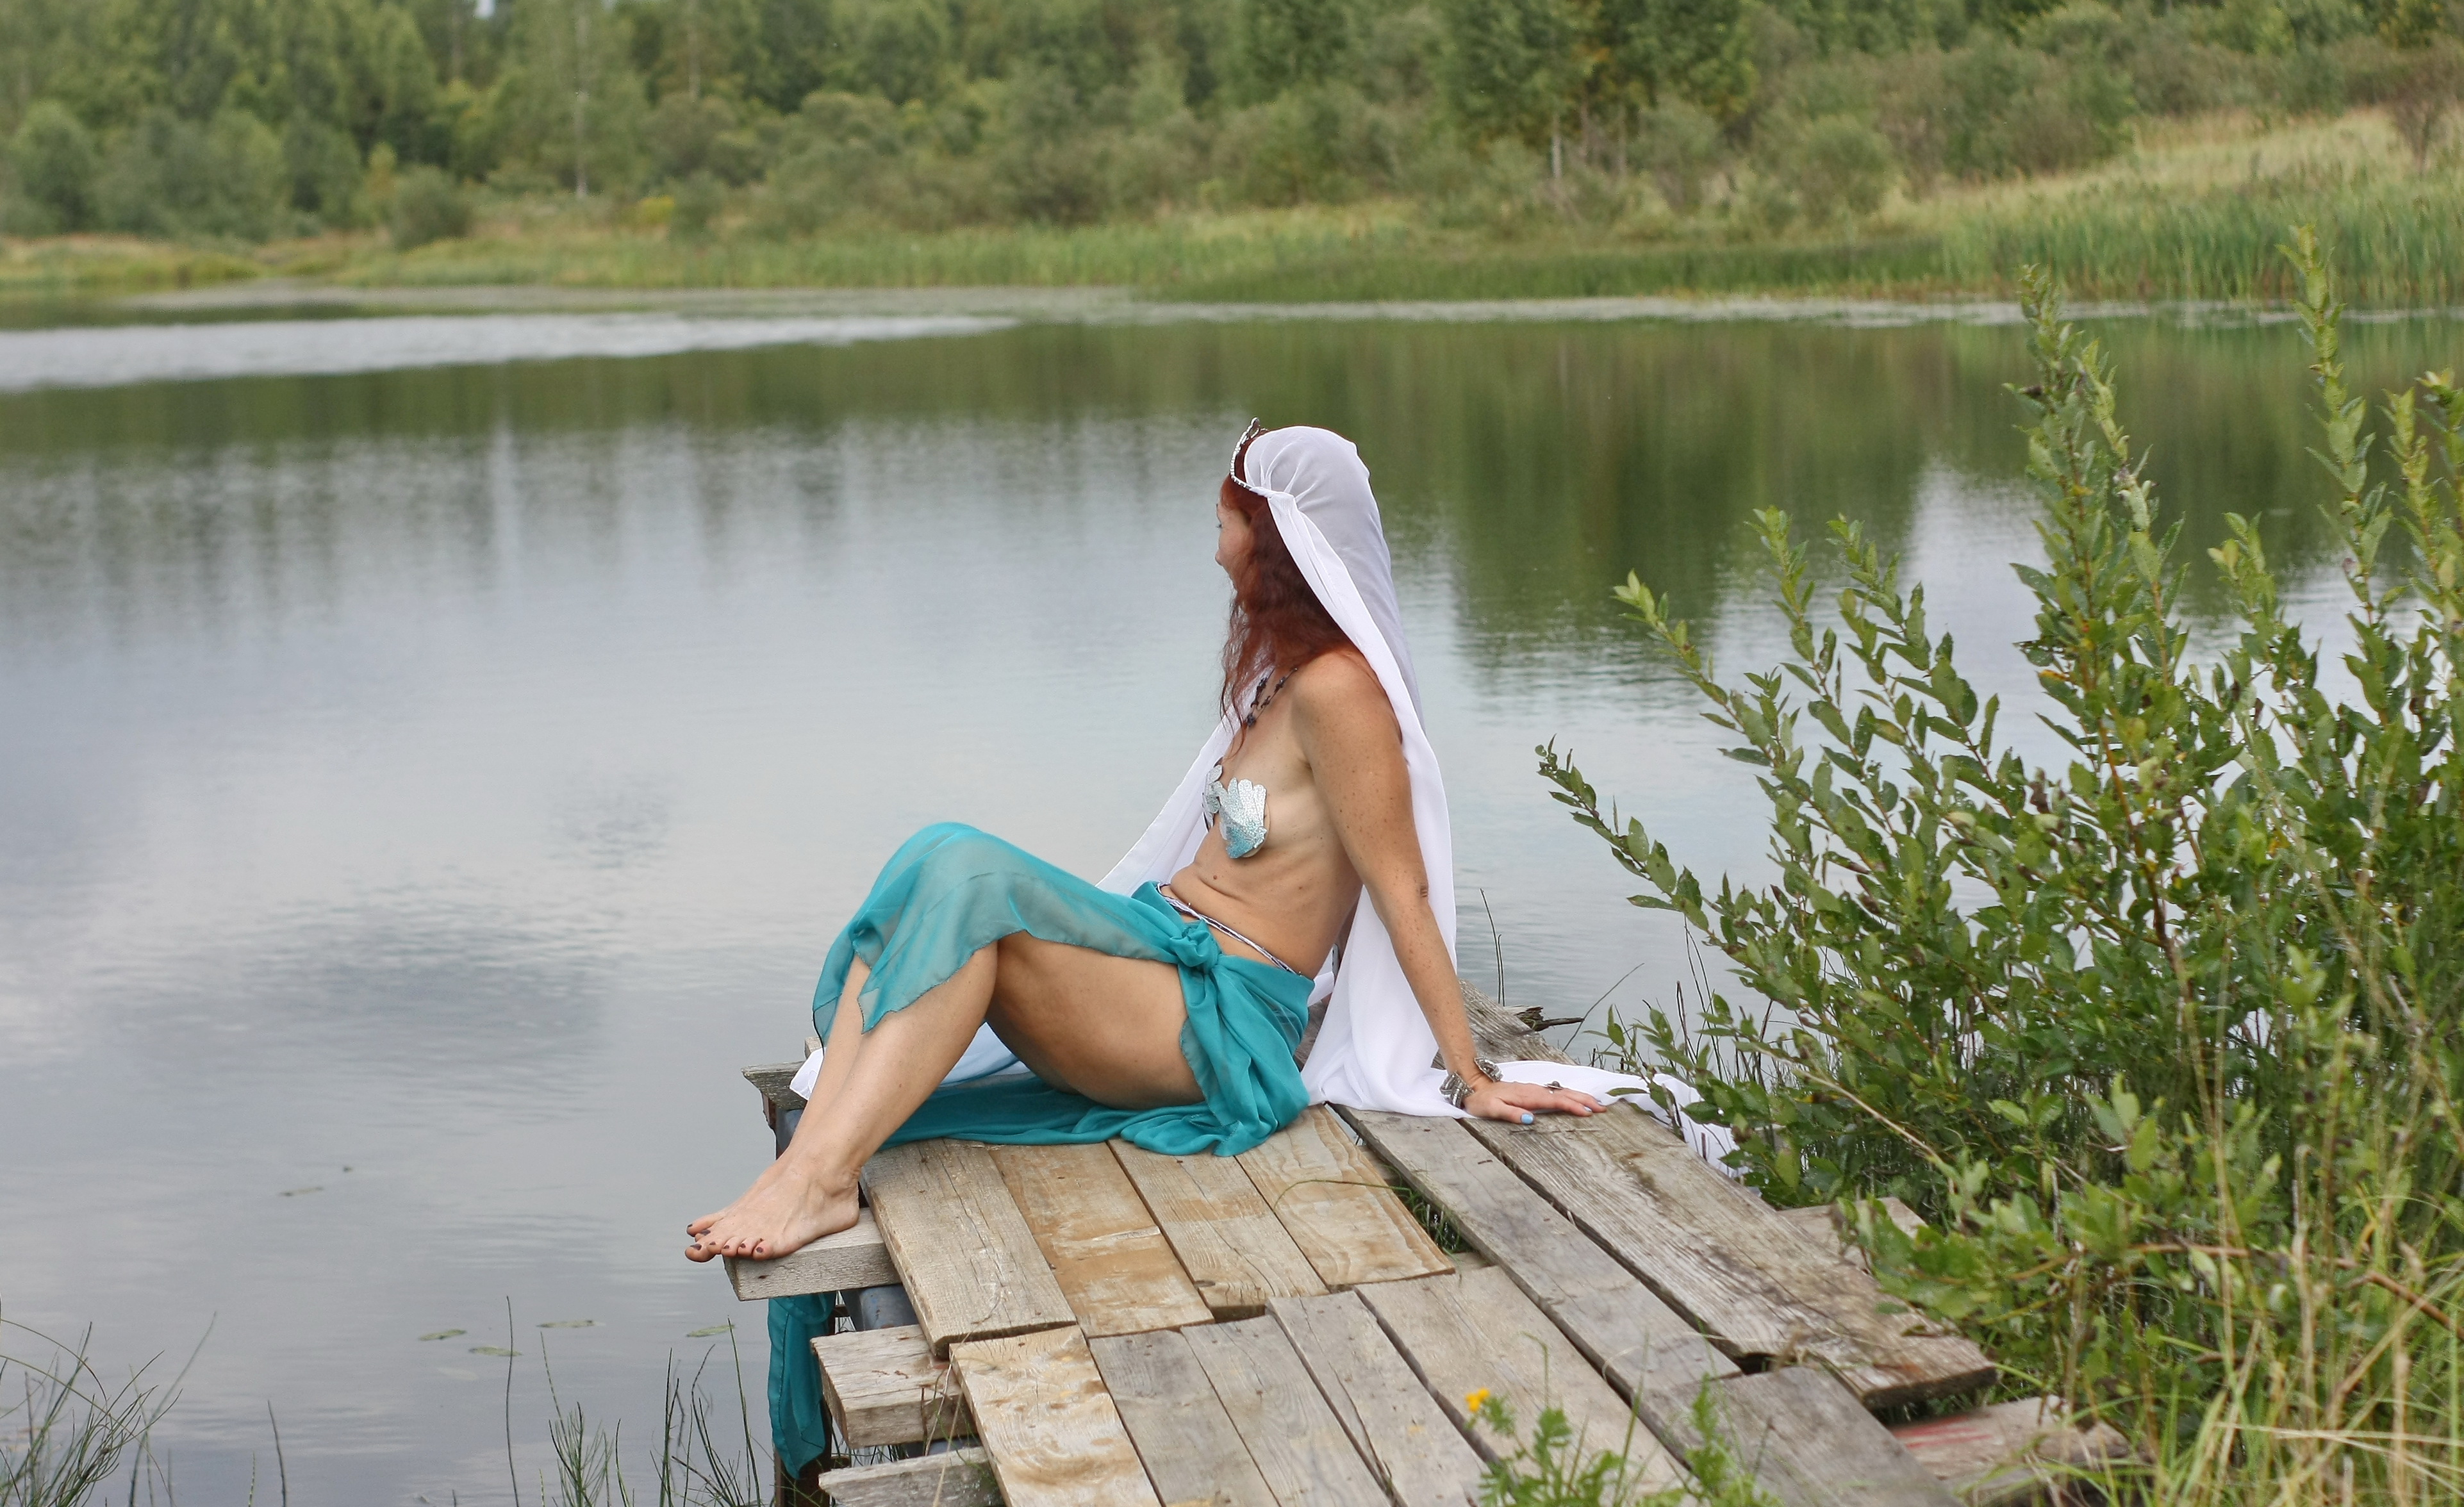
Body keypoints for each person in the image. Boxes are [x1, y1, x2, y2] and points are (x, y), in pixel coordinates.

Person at [685, 421, 1613, 1272]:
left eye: (1224, 527)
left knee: (965, 871)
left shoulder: (1342, 694)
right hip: (1160, 955)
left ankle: (823, 1176)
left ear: (1275, 542)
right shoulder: (1279, 678)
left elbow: (1400, 888)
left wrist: (1470, 1073)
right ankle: (807, 1169)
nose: (1215, 550)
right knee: (935, 856)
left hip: (1218, 1024)